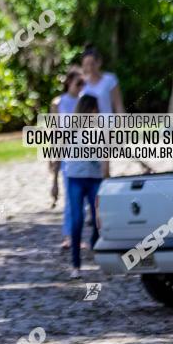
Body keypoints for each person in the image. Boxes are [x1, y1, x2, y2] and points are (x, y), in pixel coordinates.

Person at [63, 94, 109, 279]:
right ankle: (76, 264)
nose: (97, 113)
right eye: (94, 110)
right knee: (77, 221)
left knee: (99, 219)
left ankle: (95, 244)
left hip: (95, 179)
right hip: (75, 178)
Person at [50, 68, 84, 249]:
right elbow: (55, 132)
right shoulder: (58, 103)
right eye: (78, 83)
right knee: (71, 197)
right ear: (69, 82)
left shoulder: (85, 101)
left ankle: (78, 235)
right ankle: (69, 236)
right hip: (67, 154)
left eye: (83, 84)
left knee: (84, 199)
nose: (81, 87)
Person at [79, 45, 125, 114]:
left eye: (92, 64)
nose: (89, 68)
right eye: (86, 64)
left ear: (99, 62)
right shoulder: (81, 82)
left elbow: (118, 105)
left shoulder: (110, 79)